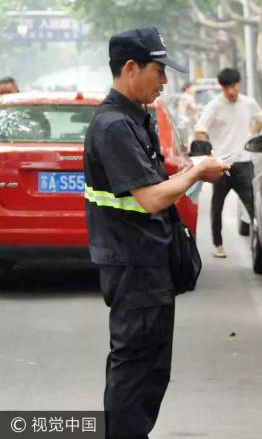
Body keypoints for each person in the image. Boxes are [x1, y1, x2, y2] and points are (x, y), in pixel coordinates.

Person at [83, 26, 229, 439]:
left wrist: (191, 170)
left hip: (147, 263)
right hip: (134, 267)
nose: (164, 81)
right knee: (135, 371)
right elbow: (150, 199)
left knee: (150, 371)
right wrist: (199, 170)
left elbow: (149, 181)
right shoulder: (113, 126)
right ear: (131, 68)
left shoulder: (134, 119)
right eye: (158, 71)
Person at [193, 68, 262, 258]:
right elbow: (200, 128)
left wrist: (252, 134)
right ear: (222, 88)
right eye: (226, 87)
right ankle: (218, 244)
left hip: (244, 163)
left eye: (233, 86)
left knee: (252, 206)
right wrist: (205, 151)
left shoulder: (248, 103)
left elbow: (260, 118)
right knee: (217, 206)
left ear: (238, 84)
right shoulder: (214, 105)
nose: (231, 91)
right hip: (221, 165)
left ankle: (260, 244)